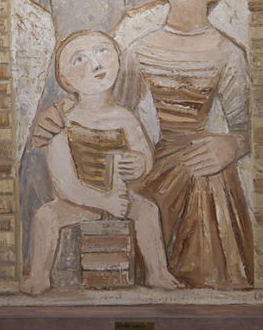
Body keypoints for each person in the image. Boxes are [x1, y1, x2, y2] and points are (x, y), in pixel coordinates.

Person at [0, 0, 162, 262]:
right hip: (62, 86)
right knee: (42, 163)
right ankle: (35, 259)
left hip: (104, 86)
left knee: (111, 165)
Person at [116, 0, 255, 290]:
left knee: (204, 181)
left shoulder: (227, 53)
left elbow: (248, 127)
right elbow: (117, 119)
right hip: (154, 166)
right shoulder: (138, 51)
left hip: (204, 168)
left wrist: (232, 145)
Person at [20, 30, 180, 295]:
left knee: (147, 211)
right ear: (65, 80)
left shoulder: (125, 117)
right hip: (77, 202)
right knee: (46, 216)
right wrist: (103, 201)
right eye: (79, 59)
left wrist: (139, 164)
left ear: (118, 58)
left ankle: (157, 272)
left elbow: (144, 157)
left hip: (118, 196)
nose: (95, 64)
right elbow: (64, 184)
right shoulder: (63, 121)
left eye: (102, 50)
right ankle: (39, 276)